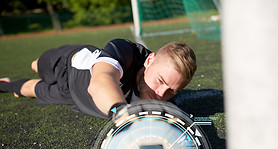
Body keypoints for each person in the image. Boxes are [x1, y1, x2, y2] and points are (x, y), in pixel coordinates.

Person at [0, 39, 197, 119]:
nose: (161, 93)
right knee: (38, 65)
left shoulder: (166, 101)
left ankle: (4, 83)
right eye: (160, 80)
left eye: (172, 90)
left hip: (75, 94)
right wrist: (120, 113)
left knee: (27, 91)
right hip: (67, 64)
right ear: (150, 60)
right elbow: (100, 82)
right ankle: (36, 65)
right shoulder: (126, 51)